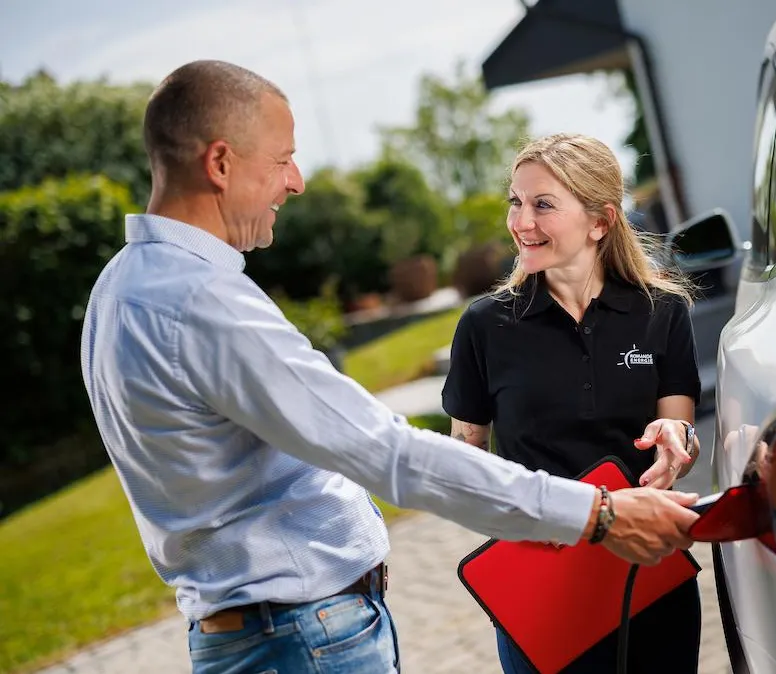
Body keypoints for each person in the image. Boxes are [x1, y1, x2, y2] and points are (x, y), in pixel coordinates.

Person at [79, 60, 700, 674]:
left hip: (258, 634)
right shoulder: (201, 303)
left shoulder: (119, 289)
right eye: (282, 158)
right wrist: (599, 514)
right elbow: (387, 452)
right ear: (219, 163)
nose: (295, 181)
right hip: (301, 639)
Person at [442, 133, 705, 673]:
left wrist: (678, 442)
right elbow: (466, 458)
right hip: (542, 589)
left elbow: (677, 427)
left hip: (646, 572)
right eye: (515, 201)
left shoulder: (662, 312)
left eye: (543, 204)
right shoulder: (484, 326)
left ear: (601, 222)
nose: (521, 222)